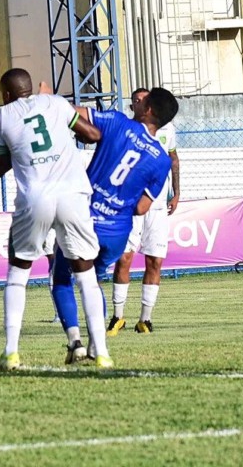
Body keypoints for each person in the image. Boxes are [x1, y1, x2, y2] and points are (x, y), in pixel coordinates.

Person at [0, 68, 111, 371]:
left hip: (35, 198)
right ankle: (103, 353)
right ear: (31, 88)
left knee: (18, 273)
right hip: (73, 194)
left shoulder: (1, 116)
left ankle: (11, 352)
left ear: (6, 93)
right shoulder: (56, 103)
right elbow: (93, 134)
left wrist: (21, 149)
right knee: (86, 275)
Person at [49, 87, 178, 359]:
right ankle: (98, 346)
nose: (138, 102)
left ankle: (76, 342)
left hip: (84, 218)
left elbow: (73, 113)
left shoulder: (118, 123)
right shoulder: (162, 160)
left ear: (149, 110)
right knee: (92, 285)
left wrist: (51, 100)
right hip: (117, 231)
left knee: (61, 279)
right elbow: (142, 207)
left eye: (144, 100)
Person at [107, 87, 181, 336]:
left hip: (157, 205)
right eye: (134, 101)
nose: (136, 105)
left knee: (154, 261)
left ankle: (145, 320)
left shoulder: (167, 130)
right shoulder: (127, 130)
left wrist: (177, 192)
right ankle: (117, 317)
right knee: (124, 259)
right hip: (131, 206)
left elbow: (173, 159)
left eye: (141, 100)